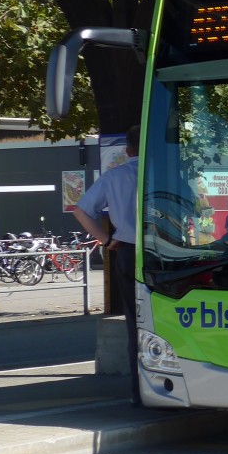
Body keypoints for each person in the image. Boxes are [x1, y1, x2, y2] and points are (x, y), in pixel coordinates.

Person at [73, 125, 141, 406]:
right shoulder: (164, 173)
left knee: (134, 323)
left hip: (127, 252)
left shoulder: (115, 176)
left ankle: (139, 390)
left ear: (127, 150)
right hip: (164, 253)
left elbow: (80, 210)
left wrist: (105, 239)